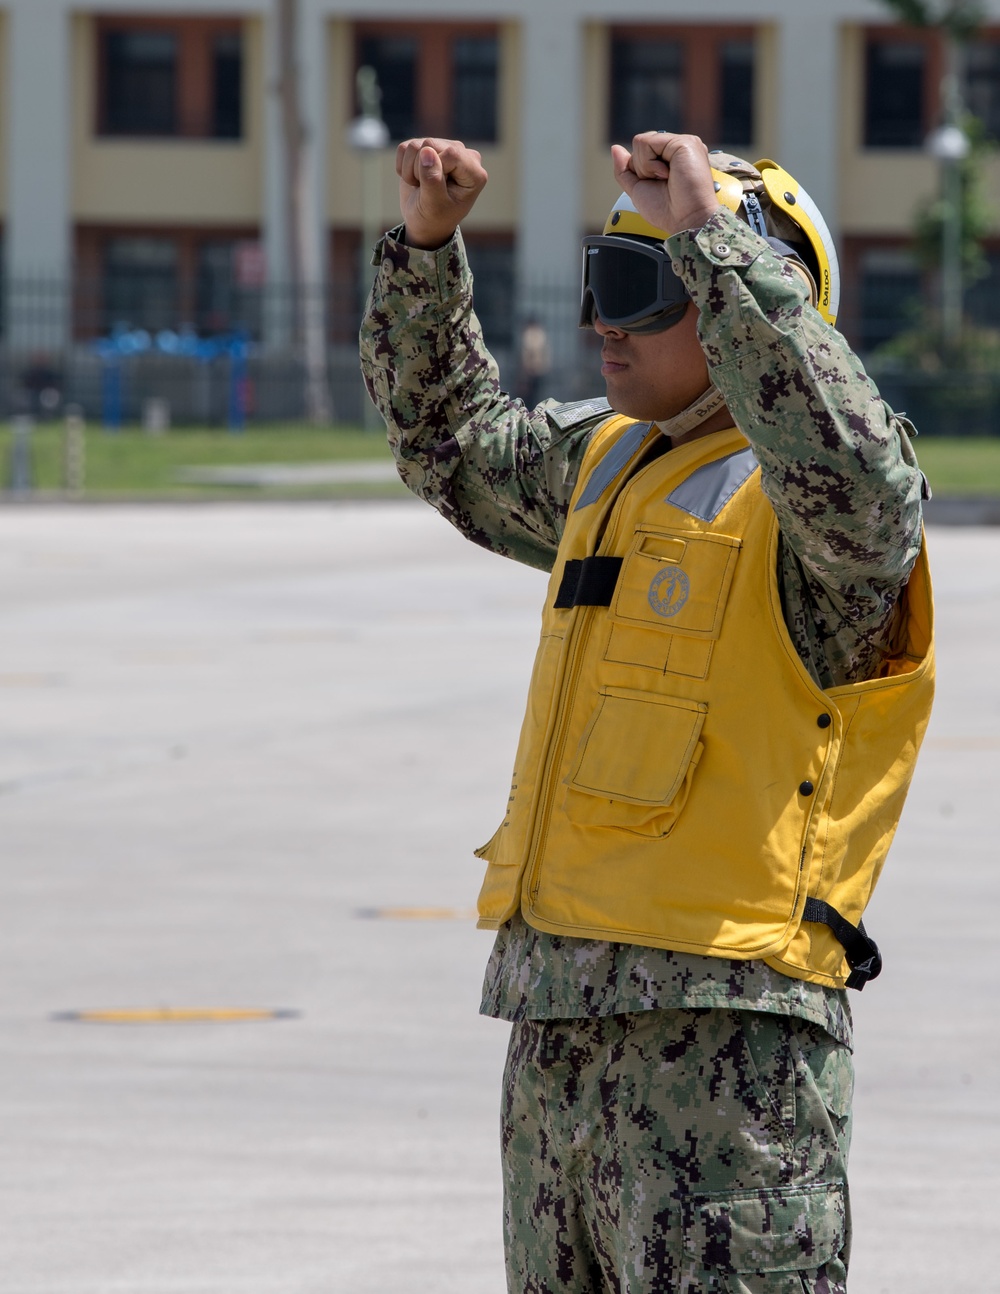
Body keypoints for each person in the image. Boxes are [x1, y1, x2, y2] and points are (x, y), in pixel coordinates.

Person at [360, 132, 934, 1294]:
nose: (601, 323)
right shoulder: (611, 464)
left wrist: (716, 244)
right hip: (561, 1029)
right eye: (596, 283)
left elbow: (860, 481)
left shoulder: (824, 511)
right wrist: (427, 250)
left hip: (727, 1055)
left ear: (738, 294)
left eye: (639, 288)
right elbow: (453, 445)